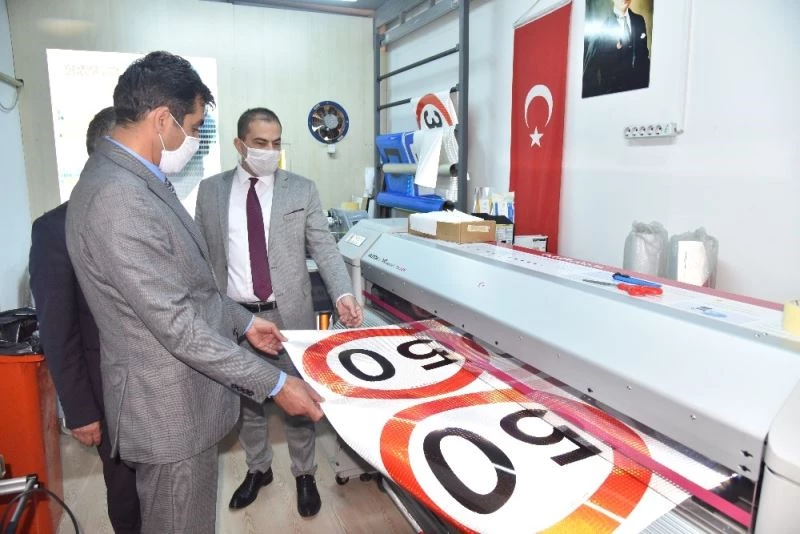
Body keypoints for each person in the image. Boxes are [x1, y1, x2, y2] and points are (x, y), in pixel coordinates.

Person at [64, 51, 323, 534]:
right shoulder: (120, 196)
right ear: (163, 119)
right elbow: (177, 325)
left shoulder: (137, 181)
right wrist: (275, 383)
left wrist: (244, 321)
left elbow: (191, 285)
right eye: (195, 125)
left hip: (183, 403)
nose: (195, 138)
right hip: (169, 414)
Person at [195, 107, 363, 516]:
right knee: (248, 401)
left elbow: (324, 247)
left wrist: (342, 292)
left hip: (289, 317)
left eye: (275, 143)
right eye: (260, 143)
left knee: (298, 399)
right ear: (239, 144)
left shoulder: (300, 190)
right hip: (236, 317)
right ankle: (259, 468)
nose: (269, 151)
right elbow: (202, 255)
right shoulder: (211, 191)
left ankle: (304, 473)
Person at [29, 107, 142, 534]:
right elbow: (57, 331)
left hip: (156, 387)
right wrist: (80, 411)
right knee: (126, 492)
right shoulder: (54, 229)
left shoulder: (139, 215)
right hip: (105, 391)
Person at [582, 0, 651, 98]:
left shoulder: (639, 20)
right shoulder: (602, 29)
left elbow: (644, 57)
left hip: (641, 92)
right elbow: (590, 71)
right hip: (614, 95)